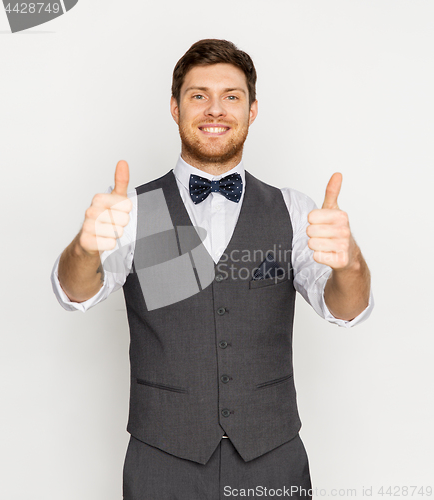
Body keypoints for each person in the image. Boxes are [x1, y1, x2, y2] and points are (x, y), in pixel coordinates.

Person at [51, 39, 373, 499]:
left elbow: (347, 310)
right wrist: (85, 248)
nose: (215, 110)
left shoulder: (292, 210)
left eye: (232, 96)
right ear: (174, 107)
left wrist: (350, 262)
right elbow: (74, 294)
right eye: (199, 95)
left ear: (253, 109)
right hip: (162, 459)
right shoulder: (133, 210)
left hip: (272, 457)